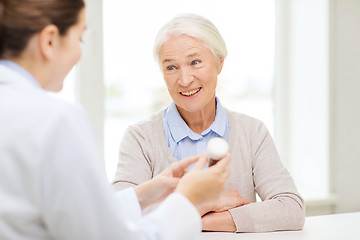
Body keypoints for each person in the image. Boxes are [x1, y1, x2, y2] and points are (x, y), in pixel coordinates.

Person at [0, 2, 231, 239]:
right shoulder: (55, 121)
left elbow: (79, 217)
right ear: (49, 41)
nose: (80, 54)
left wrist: (144, 194)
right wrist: (187, 201)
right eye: (79, 38)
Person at [113, 13, 305, 232]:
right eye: (171, 67)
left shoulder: (252, 132)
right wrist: (208, 204)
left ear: (219, 62)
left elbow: (291, 209)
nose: (185, 80)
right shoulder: (140, 138)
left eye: (195, 62)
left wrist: (196, 221)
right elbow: (118, 214)